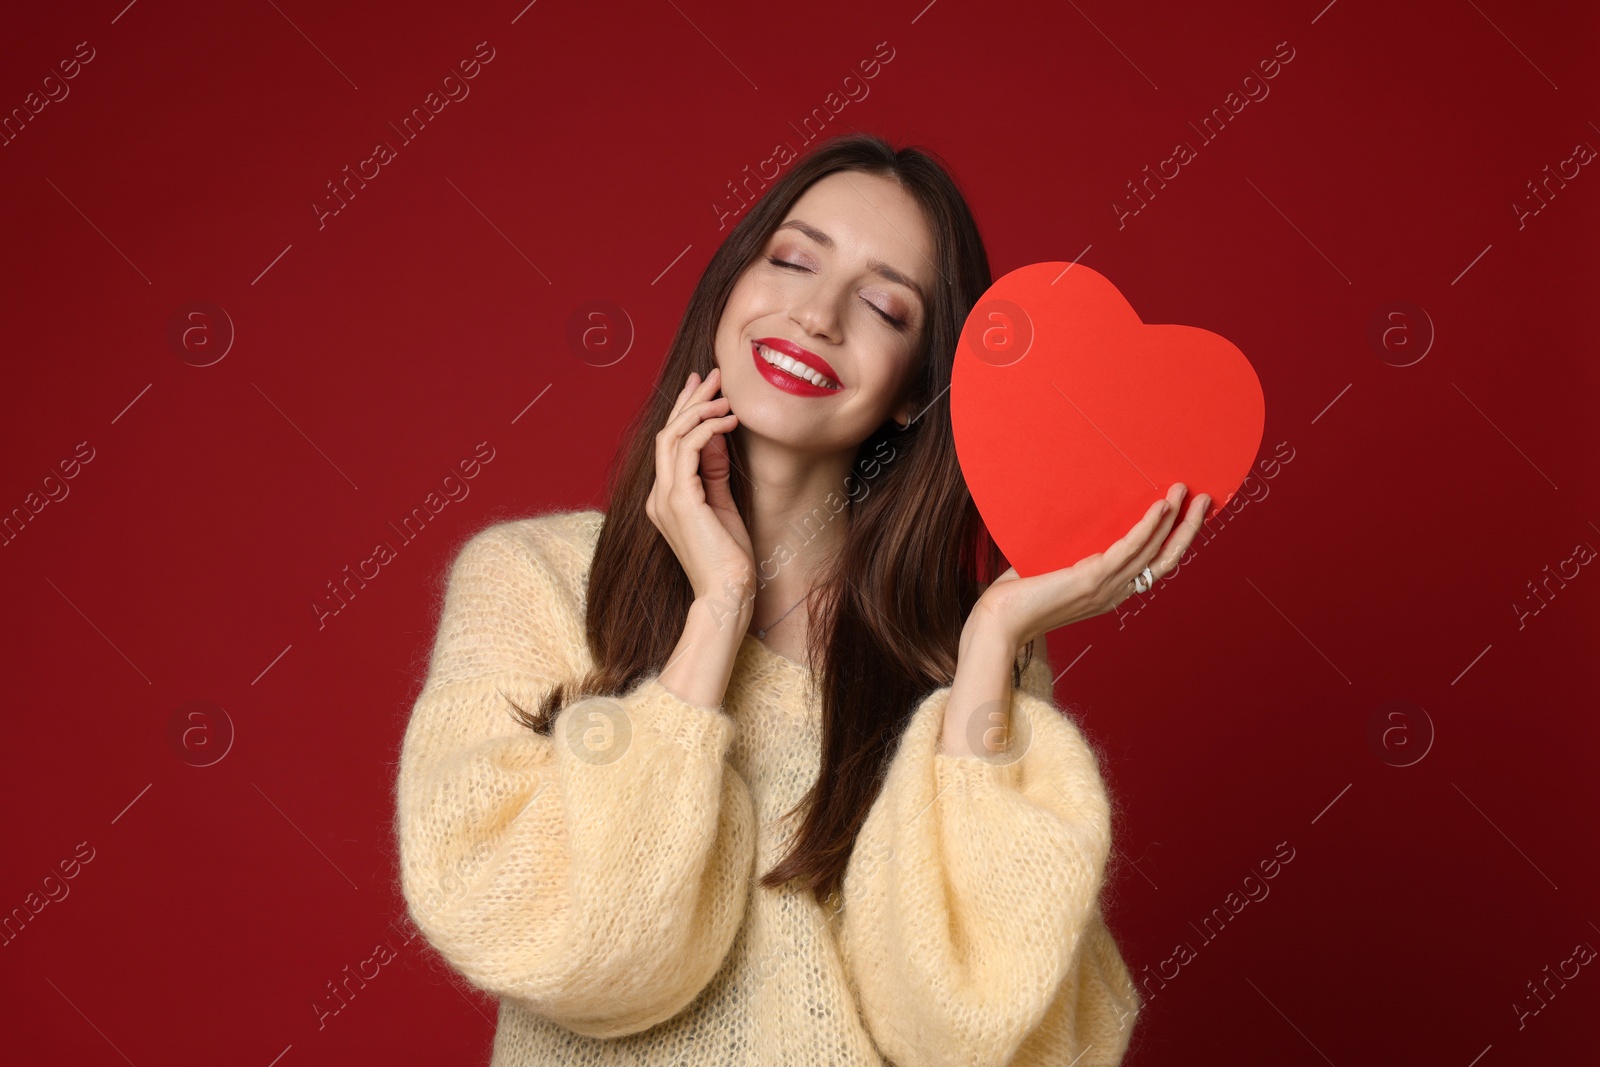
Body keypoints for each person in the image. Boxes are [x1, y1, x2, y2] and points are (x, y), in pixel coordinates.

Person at [393, 131, 1210, 1066]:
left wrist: (992, 642)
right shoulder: (532, 581)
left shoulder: (958, 658)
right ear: (730, 292)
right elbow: (576, 954)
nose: (818, 315)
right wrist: (718, 610)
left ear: (913, 393)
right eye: (791, 261)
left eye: (883, 307)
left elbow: (978, 1035)